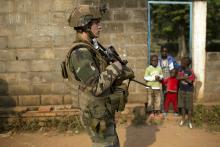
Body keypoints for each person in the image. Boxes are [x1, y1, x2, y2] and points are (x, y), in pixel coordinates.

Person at [62, 5, 134, 147]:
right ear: (86, 25)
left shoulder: (92, 48)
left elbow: (103, 74)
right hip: (95, 113)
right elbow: (95, 86)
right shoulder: (80, 53)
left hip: (101, 109)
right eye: (96, 23)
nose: (100, 27)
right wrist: (116, 67)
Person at [158, 45, 179, 113]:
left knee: (167, 93)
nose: (164, 53)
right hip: (160, 79)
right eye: (163, 51)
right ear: (160, 52)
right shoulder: (158, 59)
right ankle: (162, 108)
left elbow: (175, 67)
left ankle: (168, 108)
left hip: (168, 79)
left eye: (166, 51)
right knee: (161, 93)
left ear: (167, 52)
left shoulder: (170, 59)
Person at [177, 57, 195, 129]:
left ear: (186, 63)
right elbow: (177, 77)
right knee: (182, 106)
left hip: (189, 91)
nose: (181, 63)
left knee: (189, 107)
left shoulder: (190, 71)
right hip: (181, 90)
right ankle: (183, 119)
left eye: (182, 62)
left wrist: (183, 77)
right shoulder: (180, 69)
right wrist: (185, 78)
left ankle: (189, 121)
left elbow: (191, 81)